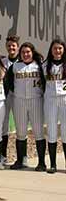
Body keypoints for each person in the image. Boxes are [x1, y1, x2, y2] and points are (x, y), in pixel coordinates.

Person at [7, 42, 46, 171]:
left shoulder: (39, 66)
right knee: (21, 132)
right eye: (23, 52)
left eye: (28, 51)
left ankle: (41, 162)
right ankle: (20, 160)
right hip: (19, 101)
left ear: (32, 52)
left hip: (36, 100)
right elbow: (9, 82)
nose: (25, 54)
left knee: (38, 132)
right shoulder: (15, 66)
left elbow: (46, 82)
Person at [1, 35, 27, 165]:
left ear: (17, 47)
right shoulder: (2, 62)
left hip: (18, 97)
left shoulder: (23, 62)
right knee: (3, 126)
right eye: (9, 45)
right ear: (6, 46)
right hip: (5, 96)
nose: (11, 47)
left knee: (20, 126)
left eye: (14, 46)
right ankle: (2, 157)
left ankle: (23, 157)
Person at [43, 39, 66, 174]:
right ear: (51, 50)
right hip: (50, 100)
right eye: (55, 48)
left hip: (65, 99)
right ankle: (52, 164)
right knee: (51, 131)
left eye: (60, 48)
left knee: (65, 132)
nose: (57, 51)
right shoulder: (45, 65)